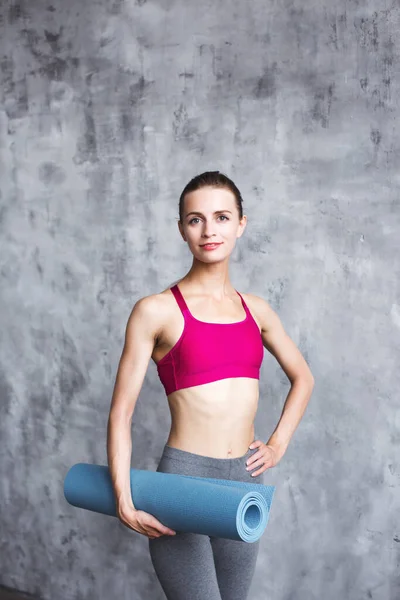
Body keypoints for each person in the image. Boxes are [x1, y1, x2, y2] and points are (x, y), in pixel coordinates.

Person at [107, 171, 315, 600]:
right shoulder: (155, 310)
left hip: (243, 478)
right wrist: (124, 500)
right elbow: (121, 413)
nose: (209, 230)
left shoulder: (256, 311)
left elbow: (303, 377)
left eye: (221, 217)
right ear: (182, 228)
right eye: (195, 219)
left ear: (241, 223)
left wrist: (277, 445)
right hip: (184, 479)